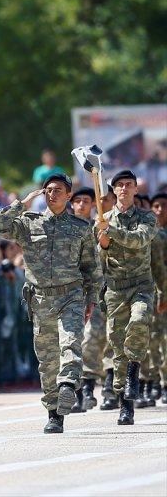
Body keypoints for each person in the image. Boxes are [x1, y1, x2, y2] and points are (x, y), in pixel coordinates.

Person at [0, 173, 102, 433]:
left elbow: (91, 269)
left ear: (68, 196)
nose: (52, 194)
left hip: (71, 296)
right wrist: (22, 204)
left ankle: (67, 385)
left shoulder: (80, 228)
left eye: (58, 190)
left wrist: (91, 299)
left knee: (71, 342)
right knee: (47, 359)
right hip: (41, 299)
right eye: (48, 190)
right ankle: (55, 414)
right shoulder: (29, 223)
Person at [94, 169, 158, 425]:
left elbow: (139, 240)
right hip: (116, 288)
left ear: (135, 189)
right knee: (118, 347)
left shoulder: (147, 217)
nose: (123, 189)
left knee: (140, 321)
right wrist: (103, 243)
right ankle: (125, 404)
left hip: (141, 284)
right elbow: (99, 259)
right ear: (113, 190)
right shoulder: (102, 219)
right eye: (119, 185)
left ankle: (134, 372)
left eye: (128, 184)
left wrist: (112, 232)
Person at [68, 187, 108, 412]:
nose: (82, 205)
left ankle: (88, 389)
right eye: (78, 201)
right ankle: (74, 390)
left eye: (86, 201)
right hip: (70, 293)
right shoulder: (64, 228)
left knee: (93, 339)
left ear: (93, 205)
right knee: (71, 343)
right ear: (71, 204)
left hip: (96, 291)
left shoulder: (98, 228)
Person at [149, 192, 167, 404]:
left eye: (164, 205)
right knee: (155, 339)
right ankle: (156, 382)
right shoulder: (149, 234)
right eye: (156, 206)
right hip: (155, 291)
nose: (160, 210)